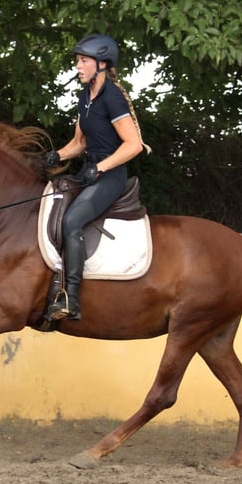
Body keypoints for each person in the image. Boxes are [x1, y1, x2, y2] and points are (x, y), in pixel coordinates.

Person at [44, 33, 149, 321]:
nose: (77, 66)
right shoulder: (84, 97)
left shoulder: (111, 97)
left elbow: (134, 145)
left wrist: (101, 168)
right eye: (78, 61)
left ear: (101, 64)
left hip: (110, 175)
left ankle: (71, 299)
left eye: (83, 61)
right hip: (88, 171)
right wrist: (58, 156)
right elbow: (79, 143)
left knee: (72, 220)